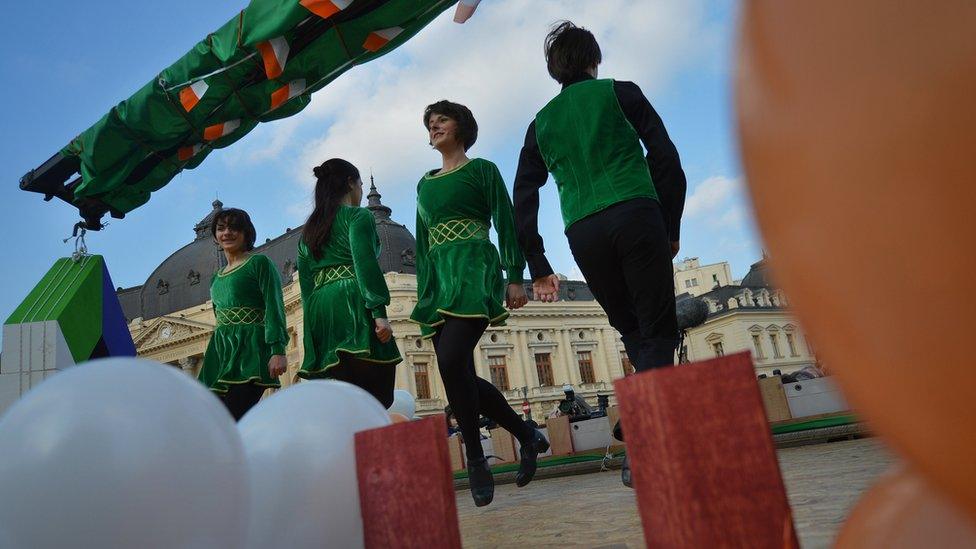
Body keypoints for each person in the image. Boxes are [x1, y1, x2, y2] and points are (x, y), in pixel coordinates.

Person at [513, 21, 688, 486]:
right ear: (594, 61)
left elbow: (524, 195)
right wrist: (670, 224)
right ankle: (640, 428)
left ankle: (640, 423)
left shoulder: (540, 125)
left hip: (583, 230)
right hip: (635, 210)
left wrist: (539, 262)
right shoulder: (621, 93)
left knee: (630, 326)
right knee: (657, 326)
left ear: (555, 71)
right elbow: (665, 157)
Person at [410, 100, 549, 507]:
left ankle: (475, 457)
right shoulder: (424, 182)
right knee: (458, 376)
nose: (434, 126)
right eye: (430, 123)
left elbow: (506, 221)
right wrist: (424, 291)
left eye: (442, 120)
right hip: (438, 280)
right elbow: (422, 243)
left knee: (452, 362)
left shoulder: (483, 169)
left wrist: (514, 276)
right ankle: (526, 435)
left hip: (473, 268)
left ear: (462, 127)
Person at [297, 158, 402, 407]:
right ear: (350, 183)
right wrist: (379, 313)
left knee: (351, 395)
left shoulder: (309, 230)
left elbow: (306, 284)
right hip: (352, 300)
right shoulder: (358, 216)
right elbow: (364, 263)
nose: (361, 190)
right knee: (381, 396)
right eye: (360, 184)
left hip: (321, 310)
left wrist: (311, 332)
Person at [199, 208, 288, 420]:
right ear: (215, 236)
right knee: (213, 418)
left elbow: (274, 305)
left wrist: (278, 350)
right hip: (221, 353)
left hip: (250, 351)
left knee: (235, 415)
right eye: (221, 229)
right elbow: (220, 319)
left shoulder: (259, 263)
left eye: (234, 228)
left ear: (246, 233)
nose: (226, 233)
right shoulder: (216, 278)